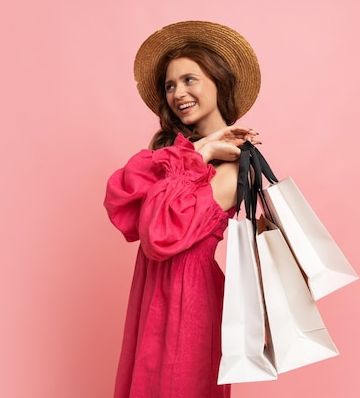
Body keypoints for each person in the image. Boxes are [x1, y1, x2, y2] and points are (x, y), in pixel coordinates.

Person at [104, 21, 262, 398]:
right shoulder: (177, 154)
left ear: (219, 82)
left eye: (190, 79)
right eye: (170, 85)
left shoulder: (236, 165)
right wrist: (198, 150)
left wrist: (200, 154)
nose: (178, 93)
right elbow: (121, 198)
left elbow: (159, 234)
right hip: (154, 295)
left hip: (188, 300)